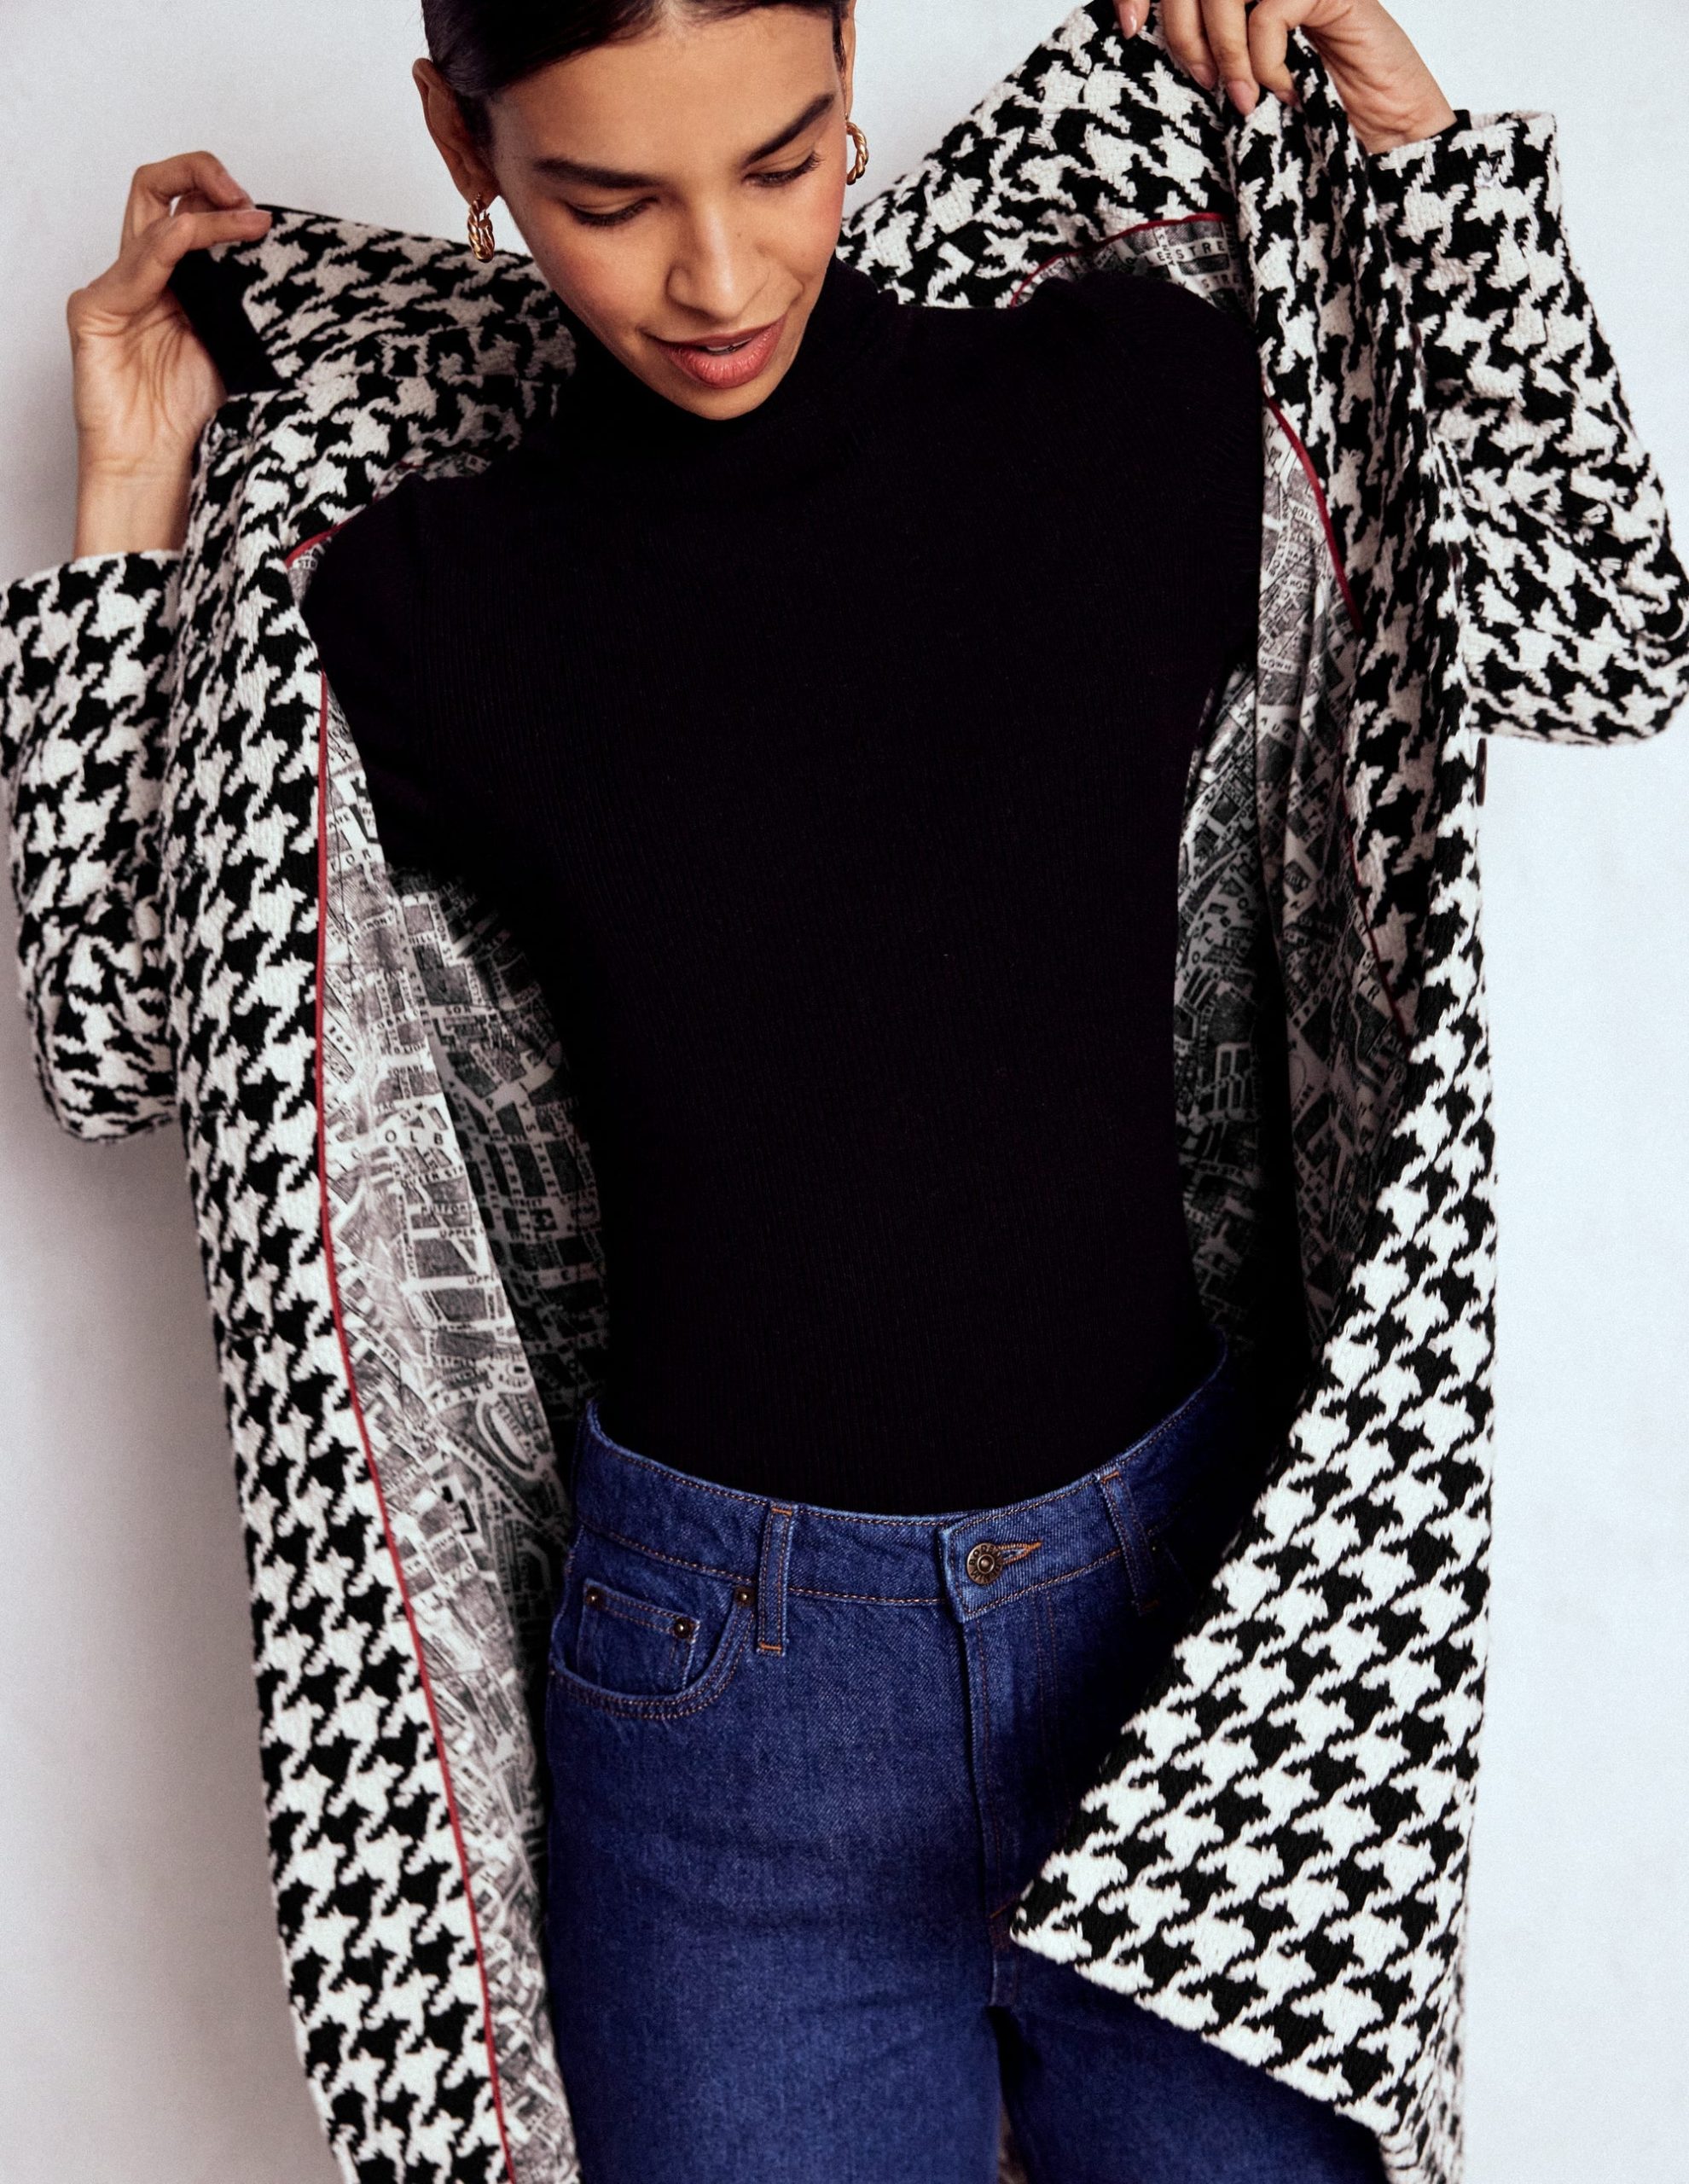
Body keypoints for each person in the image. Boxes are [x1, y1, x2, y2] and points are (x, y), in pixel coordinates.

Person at [35, 3, 1680, 2181]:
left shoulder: (1129, 398)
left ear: (849, 76)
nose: (719, 274)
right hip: (724, 1722)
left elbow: (1608, 635)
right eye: (610, 199)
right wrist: (129, 504)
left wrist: (1414, 155)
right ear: (463, 138)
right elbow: (115, 1039)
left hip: (1202, 1630)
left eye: (785, 156)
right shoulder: (427, 590)